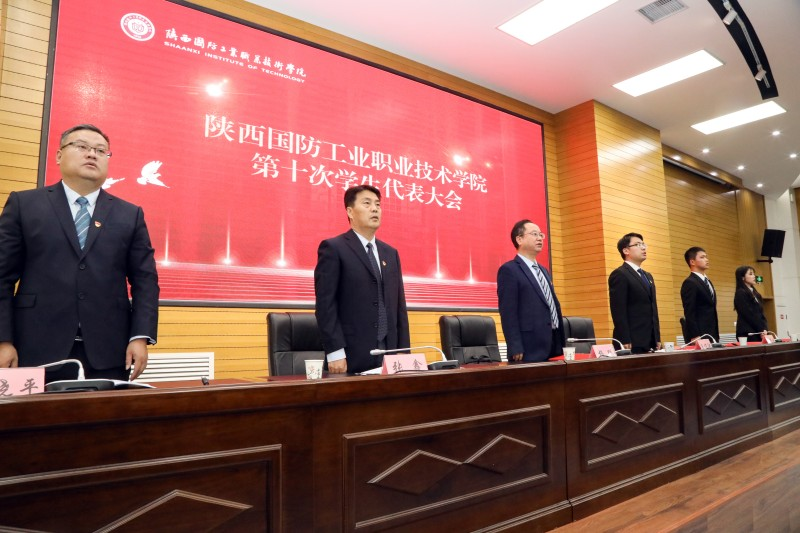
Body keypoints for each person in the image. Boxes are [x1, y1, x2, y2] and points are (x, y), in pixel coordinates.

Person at [0, 124, 159, 381]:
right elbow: (2, 276)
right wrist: (3, 340)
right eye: (82, 146)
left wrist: (139, 336)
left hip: (109, 350)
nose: (92, 154)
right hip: (33, 347)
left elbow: (145, 280)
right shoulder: (24, 205)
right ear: (59, 155)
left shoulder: (130, 214)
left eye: (101, 150)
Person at [314, 185, 409, 374]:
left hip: (390, 354)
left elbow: (399, 306)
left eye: (378, 205)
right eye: (367, 203)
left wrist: (403, 351)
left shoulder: (390, 253)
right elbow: (326, 305)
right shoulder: (334, 248)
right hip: (350, 355)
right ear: (350, 211)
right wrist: (335, 352)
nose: (374, 209)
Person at [497, 220, 565, 362]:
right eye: (534, 234)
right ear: (519, 239)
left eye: (541, 235)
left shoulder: (543, 270)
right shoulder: (509, 270)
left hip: (553, 344)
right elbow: (508, 312)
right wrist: (515, 345)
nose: (539, 238)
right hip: (528, 348)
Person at [608, 233, 661, 354]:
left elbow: (653, 308)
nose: (643, 247)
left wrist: (657, 337)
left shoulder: (648, 276)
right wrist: (624, 338)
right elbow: (618, 310)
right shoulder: (620, 274)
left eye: (643, 244)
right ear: (626, 251)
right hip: (631, 341)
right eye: (637, 245)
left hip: (650, 341)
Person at [680, 247, 719, 342]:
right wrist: (695, 335)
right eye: (702, 257)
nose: (706, 259)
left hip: (712, 333)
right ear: (692, 262)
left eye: (706, 257)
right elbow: (689, 311)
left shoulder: (708, 281)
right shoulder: (690, 282)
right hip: (700, 334)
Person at [733, 265, 768, 342]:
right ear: (742, 277)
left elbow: (761, 314)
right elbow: (749, 315)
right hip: (748, 333)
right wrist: (761, 329)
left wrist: (765, 329)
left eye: (754, 274)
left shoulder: (756, 294)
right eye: (751, 274)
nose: (754, 276)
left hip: (759, 331)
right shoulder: (740, 293)